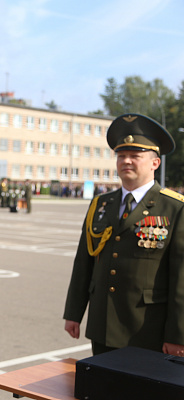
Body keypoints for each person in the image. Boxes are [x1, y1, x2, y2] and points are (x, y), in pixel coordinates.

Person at [63, 113, 184, 357]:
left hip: (148, 328)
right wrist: (73, 313)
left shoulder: (175, 208)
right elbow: (84, 262)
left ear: (154, 163)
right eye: (121, 155)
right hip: (103, 323)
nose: (126, 161)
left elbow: (181, 278)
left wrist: (177, 335)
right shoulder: (101, 204)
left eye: (135, 156)